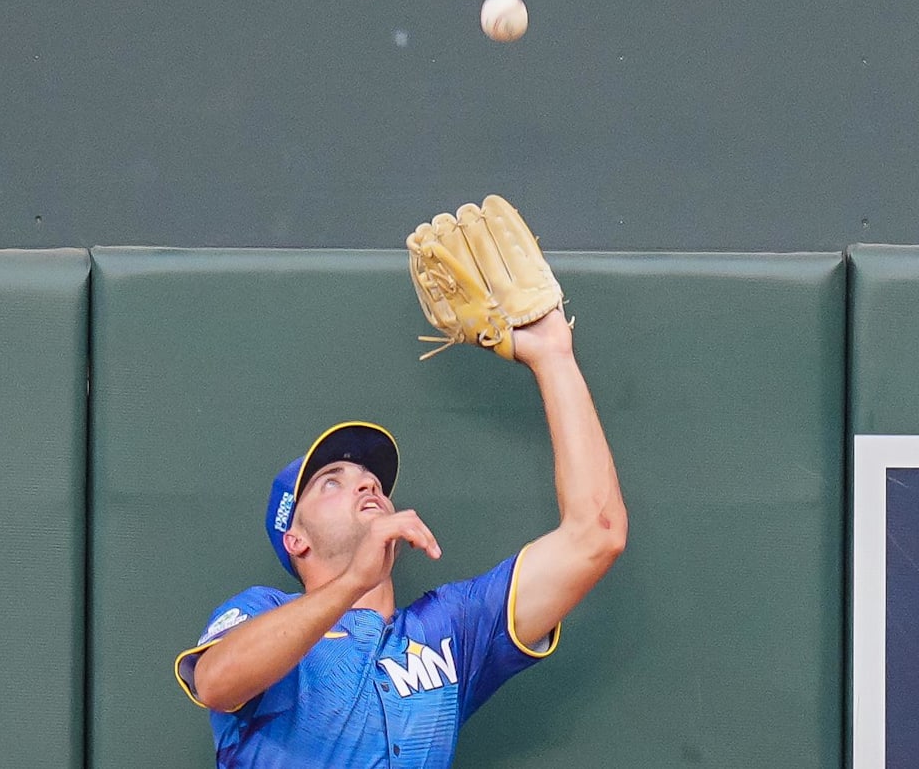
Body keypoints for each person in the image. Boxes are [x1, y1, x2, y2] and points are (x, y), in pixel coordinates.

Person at [175, 308, 627, 767]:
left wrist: (553, 357)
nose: (367, 483)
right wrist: (353, 581)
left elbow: (596, 535)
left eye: (370, 478)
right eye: (331, 480)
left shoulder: (451, 629)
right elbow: (215, 682)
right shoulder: (263, 611)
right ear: (296, 540)